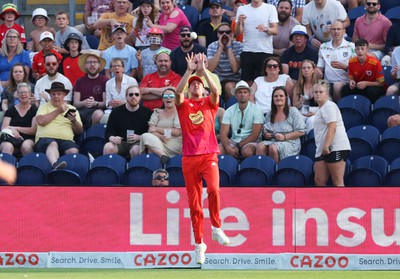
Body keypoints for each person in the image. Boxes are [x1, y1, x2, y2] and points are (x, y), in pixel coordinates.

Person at [175, 53, 230, 265]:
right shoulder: (184, 105)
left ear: (204, 88)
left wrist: (203, 69)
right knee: (195, 204)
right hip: (189, 157)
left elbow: (216, 91)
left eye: (199, 84)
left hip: (209, 154)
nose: (196, 86)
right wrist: (189, 71)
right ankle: (199, 244)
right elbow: (177, 91)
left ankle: (216, 228)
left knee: (214, 190)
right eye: (193, 85)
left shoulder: (210, 103)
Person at [35, 82, 83, 170]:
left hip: (66, 140)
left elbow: (79, 131)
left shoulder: (72, 109)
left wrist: (74, 121)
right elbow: (41, 121)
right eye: (53, 94)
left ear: (64, 95)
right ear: (50, 95)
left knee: (73, 151)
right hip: (45, 139)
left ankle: (69, 174)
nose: (56, 96)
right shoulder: (44, 106)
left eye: (59, 94)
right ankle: (55, 165)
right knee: (53, 144)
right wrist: (58, 111)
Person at [313, 80, 351, 187]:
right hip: (322, 149)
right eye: (316, 92)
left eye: (321, 92)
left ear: (327, 94)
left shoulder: (329, 105)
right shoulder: (321, 109)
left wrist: (326, 146)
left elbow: (332, 127)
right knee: (319, 181)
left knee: (337, 181)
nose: (318, 94)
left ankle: (342, 203)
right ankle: (323, 203)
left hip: (335, 147)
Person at [256, 86, 306, 163]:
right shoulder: (270, 113)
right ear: (272, 99)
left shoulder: (293, 111)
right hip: (273, 140)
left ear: (286, 98)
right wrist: (266, 134)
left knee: (273, 147)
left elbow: (301, 131)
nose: (278, 98)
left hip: (290, 142)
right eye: (276, 96)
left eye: (281, 96)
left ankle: (276, 171)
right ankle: (263, 170)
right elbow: (265, 129)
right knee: (260, 146)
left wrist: (284, 137)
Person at [234, 0, 278, 86]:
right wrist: (239, 22)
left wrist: (266, 29)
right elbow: (237, 32)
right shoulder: (242, 9)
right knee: (246, 82)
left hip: (265, 51)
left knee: (264, 81)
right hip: (248, 50)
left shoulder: (270, 8)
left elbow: (275, 30)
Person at [103, 85, 153, 158]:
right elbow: (108, 132)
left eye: (136, 94)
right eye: (130, 94)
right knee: (108, 147)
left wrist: (140, 137)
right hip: (120, 142)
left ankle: (135, 169)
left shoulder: (147, 113)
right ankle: (108, 169)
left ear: (140, 97)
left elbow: (151, 133)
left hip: (137, 143)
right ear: (126, 96)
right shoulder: (116, 112)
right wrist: (112, 138)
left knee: (136, 150)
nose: (134, 96)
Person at [219, 80, 263, 159]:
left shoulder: (257, 110)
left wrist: (238, 146)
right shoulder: (229, 110)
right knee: (219, 150)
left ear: (249, 94)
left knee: (247, 152)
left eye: (245, 92)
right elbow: (223, 133)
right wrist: (228, 147)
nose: (242, 94)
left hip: (250, 141)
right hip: (234, 140)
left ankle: (247, 170)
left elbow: (254, 136)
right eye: (240, 92)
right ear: (235, 95)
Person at [140, 88, 182, 163]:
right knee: (145, 136)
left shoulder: (179, 112)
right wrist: (161, 136)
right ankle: (163, 156)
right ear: (162, 99)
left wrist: (156, 129)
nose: (168, 98)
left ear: (175, 99)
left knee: (151, 150)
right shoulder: (157, 112)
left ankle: (157, 169)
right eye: (165, 96)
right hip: (159, 140)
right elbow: (150, 130)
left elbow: (177, 132)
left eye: (171, 96)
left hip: (174, 142)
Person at [317, 20, 355, 102]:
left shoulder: (351, 46)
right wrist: (317, 71)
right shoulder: (323, 46)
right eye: (334, 29)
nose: (336, 32)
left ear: (343, 31)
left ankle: (336, 108)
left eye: (339, 29)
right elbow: (320, 68)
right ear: (330, 31)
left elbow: (356, 70)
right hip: (327, 81)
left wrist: (344, 67)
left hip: (344, 81)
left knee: (337, 86)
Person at [341, 38, 385, 103]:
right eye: (357, 49)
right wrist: (351, 82)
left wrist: (366, 83)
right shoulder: (351, 61)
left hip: (374, 86)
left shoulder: (375, 62)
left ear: (367, 50)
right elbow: (351, 78)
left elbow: (381, 83)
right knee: (345, 89)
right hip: (360, 85)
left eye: (362, 49)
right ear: (355, 51)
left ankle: (371, 108)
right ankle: (349, 107)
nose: (360, 51)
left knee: (371, 91)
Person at [207, 22, 243, 102]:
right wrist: (220, 48)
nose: (224, 35)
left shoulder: (238, 46)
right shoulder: (212, 46)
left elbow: (235, 69)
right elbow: (211, 68)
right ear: (217, 35)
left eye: (227, 32)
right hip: (217, 78)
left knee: (229, 86)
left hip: (234, 79)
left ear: (232, 34)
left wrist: (229, 47)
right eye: (221, 32)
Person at [73, 49, 108, 130]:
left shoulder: (104, 81)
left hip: (96, 110)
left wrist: (95, 103)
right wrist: (84, 103)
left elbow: (105, 103)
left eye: (95, 62)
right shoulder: (79, 81)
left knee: (98, 114)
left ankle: (92, 136)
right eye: (89, 62)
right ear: (85, 65)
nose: (92, 65)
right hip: (81, 110)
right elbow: (76, 103)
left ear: (99, 65)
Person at [0, 83, 37, 156]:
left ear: (30, 94)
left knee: (26, 146)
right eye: (21, 92)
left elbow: (33, 130)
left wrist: (15, 128)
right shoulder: (10, 110)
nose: (23, 94)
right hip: (10, 138)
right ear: (17, 94)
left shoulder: (34, 110)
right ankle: (6, 167)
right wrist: (12, 130)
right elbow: (4, 127)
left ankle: (28, 166)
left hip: (28, 138)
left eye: (26, 92)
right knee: (7, 146)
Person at [102, 58, 139, 124]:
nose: (116, 68)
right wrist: (111, 103)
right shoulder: (108, 83)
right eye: (114, 66)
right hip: (114, 110)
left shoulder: (131, 81)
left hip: (129, 109)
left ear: (123, 69)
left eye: (119, 66)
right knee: (104, 118)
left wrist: (124, 103)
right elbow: (107, 102)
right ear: (111, 69)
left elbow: (137, 99)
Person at [292, 59, 318, 133]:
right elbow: (294, 106)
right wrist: (300, 102)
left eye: (309, 68)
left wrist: (315, 113)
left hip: (316, 111)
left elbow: (325, 105)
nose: (306, 70)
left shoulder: (319, 84)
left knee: (311, 121)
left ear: (313, 70)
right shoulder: (298, 85)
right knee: (298, 121)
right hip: (302, 112)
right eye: (303, 68)